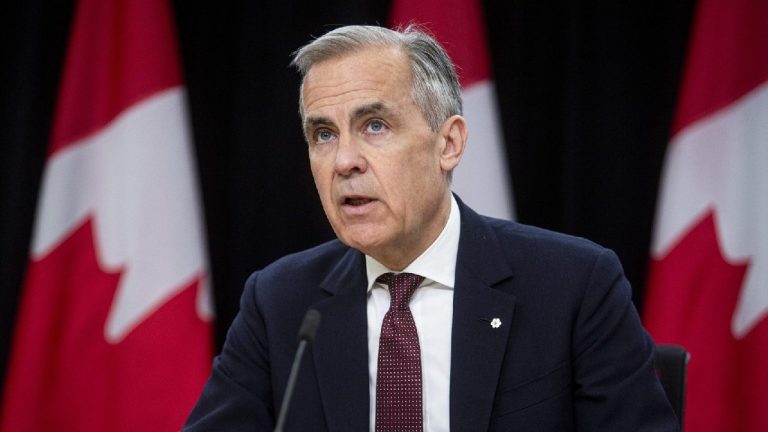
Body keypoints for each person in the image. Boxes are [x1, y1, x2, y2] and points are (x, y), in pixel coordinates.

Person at [183, 24, 679, 431]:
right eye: (323, 134)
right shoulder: (281, 303)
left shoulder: (573, 284)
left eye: (375, 125)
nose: (345, 161)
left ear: (449, 144)